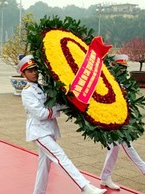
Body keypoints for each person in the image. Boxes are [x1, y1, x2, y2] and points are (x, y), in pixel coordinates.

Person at [19, 55, 106, 194]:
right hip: (38, 131)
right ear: (23, 74)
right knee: (60, 157)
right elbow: (40, 113)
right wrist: (57, 108)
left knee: (44, 166)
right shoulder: (27, 91)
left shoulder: (41, 86)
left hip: (48, 129)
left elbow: (52, 104)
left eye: (35, 69)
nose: (34, 72)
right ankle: (85, 187)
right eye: (30, 71)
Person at [99, 54, 145, 190]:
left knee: (115, 148)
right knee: (126, 146)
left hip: (121, 120)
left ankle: (105, 176)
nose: (122, 71)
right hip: (110, 121)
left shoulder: (122, 83)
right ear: (113, 67)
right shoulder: (107, 82)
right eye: (120, 67)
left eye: (124, 68)